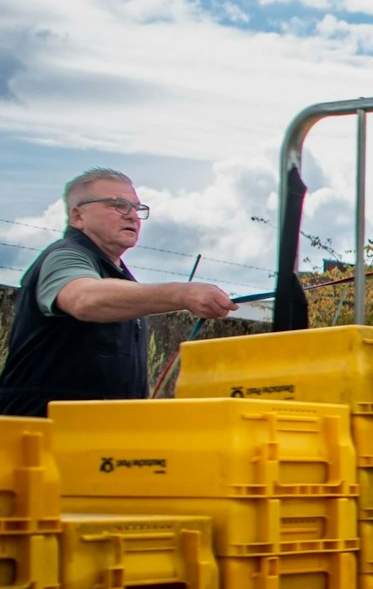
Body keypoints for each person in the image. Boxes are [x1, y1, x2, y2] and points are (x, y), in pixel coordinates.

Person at [0, 168, 236, 416]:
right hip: (45, 428)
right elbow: (84, 299)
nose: (132, 216)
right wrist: (182, 294)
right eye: (118, 205)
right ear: (78, 216)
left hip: (104, 427)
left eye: (137, 208)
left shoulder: (118, 272)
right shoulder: (64, 256)